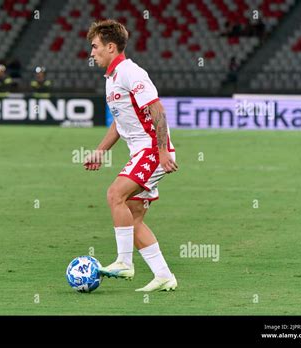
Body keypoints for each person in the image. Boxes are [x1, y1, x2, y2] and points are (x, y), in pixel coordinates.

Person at [84, 19, 179, 292]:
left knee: (115, 195)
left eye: (95, 46)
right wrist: (100, 152)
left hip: (151, 148)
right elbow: (119, 122)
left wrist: (162, 152)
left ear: (111, 47)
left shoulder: (130, 72)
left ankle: (124, 263)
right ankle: (163, 275)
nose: (92, 53)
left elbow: (157, 109)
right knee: (133, 218)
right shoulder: (112, 79)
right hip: (143, 151)